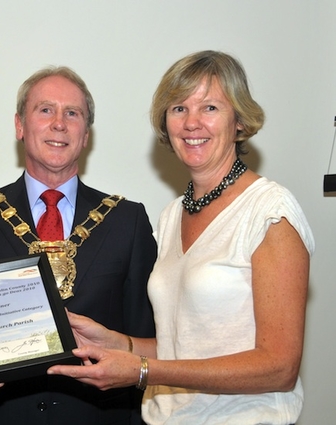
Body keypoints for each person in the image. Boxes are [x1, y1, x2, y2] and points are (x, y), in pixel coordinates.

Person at [48, 51, 315, 425]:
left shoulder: (269, 210)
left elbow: (278, 367)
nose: (191, 123)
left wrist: (142, 371)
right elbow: (182, 347)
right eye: (178, 108)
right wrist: (115, 342)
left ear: (238, 120)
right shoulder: (172, 216)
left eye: (209, 108)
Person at [0, 66, 157, 424]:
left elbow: (145, 339)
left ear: (86, 134)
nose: (59, 123)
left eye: (72, 113)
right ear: (19, 126)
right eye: (45, 110)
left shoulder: (127, 220)